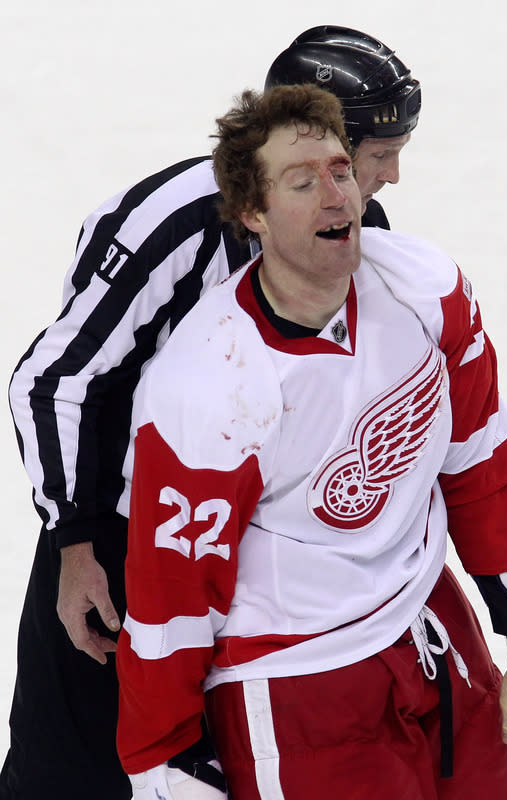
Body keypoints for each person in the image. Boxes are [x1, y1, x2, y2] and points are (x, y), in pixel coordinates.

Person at [2, 26, 423, 800]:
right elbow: (57, 380)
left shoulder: (357, 235)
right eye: (379, 152)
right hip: (130, 546)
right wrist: (78, 539)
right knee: (74, 776)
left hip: (262, 565)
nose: (391, 175)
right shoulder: (175, 223)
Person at [116, 84, 507, 800]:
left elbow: (481, 465)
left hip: (430, 630)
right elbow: (170, 597)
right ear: (252, 214)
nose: (337, 196)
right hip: (294, 681)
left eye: (338, 170)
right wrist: (162, 762)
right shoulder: (207, 388)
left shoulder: (425, 289)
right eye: (302, 182)